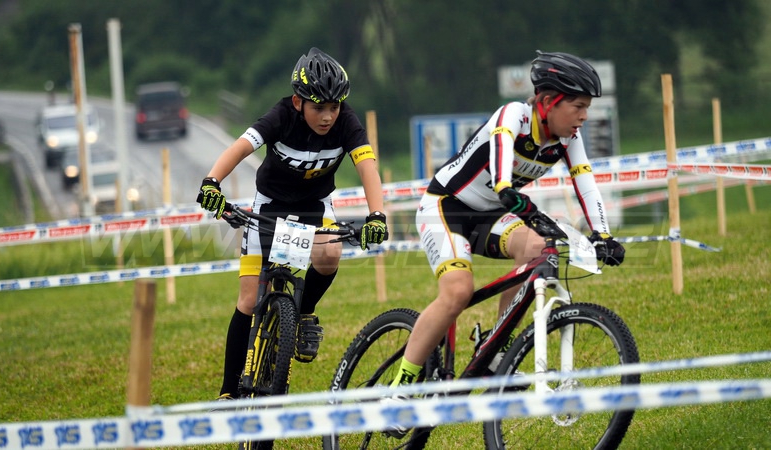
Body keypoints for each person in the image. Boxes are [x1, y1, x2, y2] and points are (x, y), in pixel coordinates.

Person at [384, 50, 626, 436]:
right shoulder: (514, 115)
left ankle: (494, 350)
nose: (584, 116)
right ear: (548, 102)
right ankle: (398, 392)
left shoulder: (568, 138)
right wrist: (504, 188)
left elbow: (585, 181)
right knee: (457, 292)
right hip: (446, 207)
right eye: (578, 106)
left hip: (492, 213)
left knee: (538, 250)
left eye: (587, 108)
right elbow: (500, 154)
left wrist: (603, 234)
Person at [197, 47, 388, 400]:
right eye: (319, 107)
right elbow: (240, 147)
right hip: (270, 205)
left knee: (329, 254)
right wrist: (212, 182)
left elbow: (367, 167)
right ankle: (227, 393)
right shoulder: (281, 115)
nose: (328, 116)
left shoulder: (347, 122)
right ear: (299, 102)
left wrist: (377, 215)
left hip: (315, 206)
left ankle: (303, 313)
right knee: (249, 298)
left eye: (334, 107)